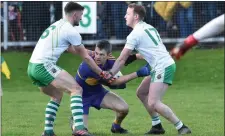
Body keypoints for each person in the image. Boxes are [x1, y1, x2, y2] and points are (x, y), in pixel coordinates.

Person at [27, 2, 113, 136]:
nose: (82, 18)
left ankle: (48, 131)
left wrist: (90, 52)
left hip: (32, 67)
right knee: (76, 89)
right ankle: (79, 129)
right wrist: (101, 73)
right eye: (81, 15)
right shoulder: (71, 30)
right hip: (44, 66)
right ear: (75, 14)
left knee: (56, 95)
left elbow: (70, 48)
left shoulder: (58, 24)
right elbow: (86, 58)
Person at [109, 3, 191, 135]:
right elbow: (153, 51)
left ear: (135, 16)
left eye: (128, 14)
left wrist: (110, 73)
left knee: (153, 102)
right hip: (162, 64)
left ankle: (181, 127)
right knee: (141, 92)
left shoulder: (134, 34)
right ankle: (157, 126)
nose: (125, 16)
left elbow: (121, 59)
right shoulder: (148, 27)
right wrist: (135, 57)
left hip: (162, 67)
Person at [69, 40, 151, 134]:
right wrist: (138, 73)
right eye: (96, 53)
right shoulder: (88, 67)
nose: (97, 57)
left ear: (108, 55)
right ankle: (74, 121)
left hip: (97, 91)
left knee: (124, 109)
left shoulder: (110, 59)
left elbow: (119, 63)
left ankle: (116, 126)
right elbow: (114, 83)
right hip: (82, 97)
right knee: (81, 131)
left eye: (101, 54)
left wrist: (138, 56)